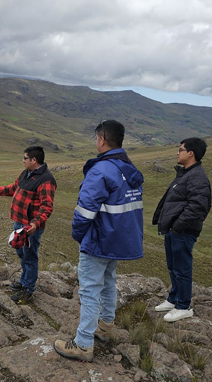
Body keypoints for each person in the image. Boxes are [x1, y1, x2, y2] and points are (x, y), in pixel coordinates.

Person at [55, 120, 144, 362]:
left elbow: (85, 211)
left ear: (102, 140)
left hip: (99, 240)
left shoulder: (100, 171)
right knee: (108, 282)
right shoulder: (128, 169)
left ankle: (83, 344)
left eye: (96, 139)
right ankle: (105, 327)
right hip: (118, 241)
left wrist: (78, 235)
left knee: (90, 290)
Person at [0, 146, 56, 304]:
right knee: (22, 253)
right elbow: (14, 188)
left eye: (25, 158)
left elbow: (46, 206)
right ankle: (23, 280)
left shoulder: (46, 179)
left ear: (33, 160)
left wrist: (34, 224)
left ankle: (27, 291)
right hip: (19, 223)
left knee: (30, 257)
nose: (23, 160)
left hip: (30, 228)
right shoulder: (26, 173)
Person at [152, 137, 212, 322]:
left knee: (182, 269)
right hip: (174, 230)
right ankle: (173, 299)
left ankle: (183, 306)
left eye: (181, 149)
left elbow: (199, 207)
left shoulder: (197, 177)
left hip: (183, 231)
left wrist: (178, 226)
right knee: (173, 267)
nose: (178, 153)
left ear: (190, 153)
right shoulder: (185, 174)